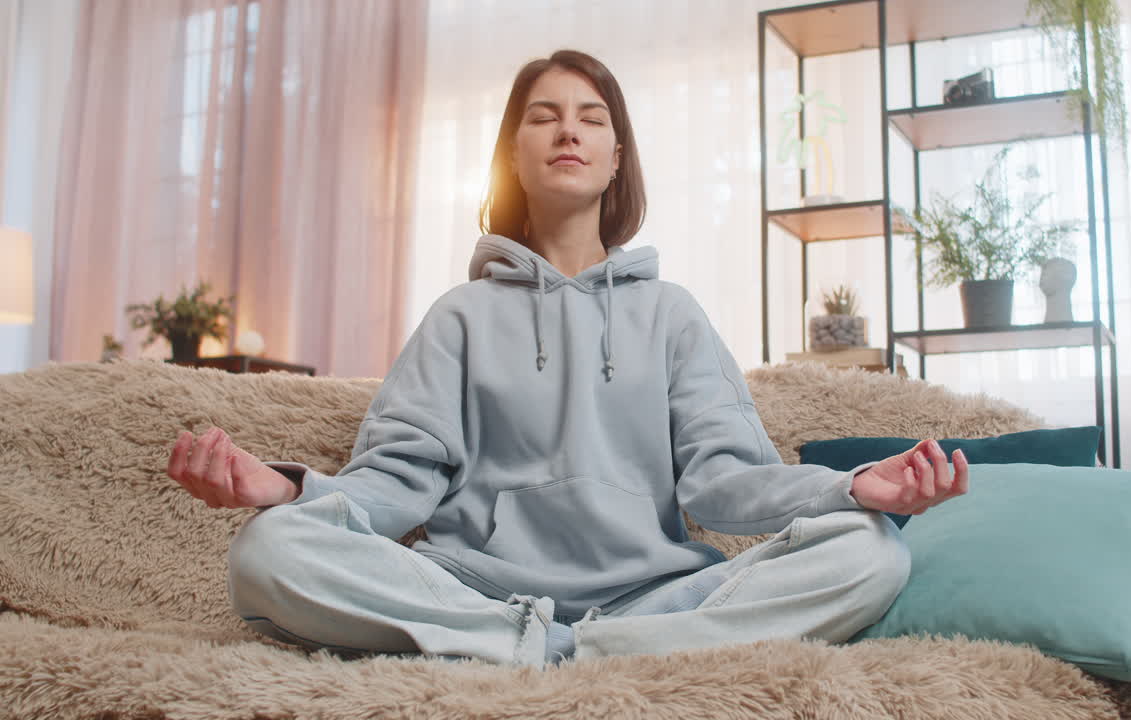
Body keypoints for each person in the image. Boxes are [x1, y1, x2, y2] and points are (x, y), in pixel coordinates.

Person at [166, 49, 969, 669]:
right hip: (477, 590)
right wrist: (292, 489)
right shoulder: (460, 316)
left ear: (617, 155)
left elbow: (727, 482)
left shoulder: (671, 313)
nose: (567, 130)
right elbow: (398, 480)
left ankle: (573, 653)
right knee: (268, 554)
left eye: (589, 116)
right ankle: (529, 646)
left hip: (652, 596)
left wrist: (848, 488)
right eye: (543, 116)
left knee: (869, 551)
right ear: (513, 155)